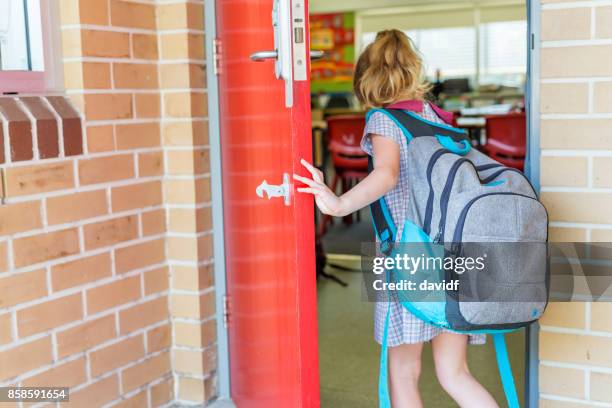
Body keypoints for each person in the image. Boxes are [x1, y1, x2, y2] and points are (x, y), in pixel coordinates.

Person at [293, 29, 498, 408]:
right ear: (413, 72)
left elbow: (385, 175)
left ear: (365, 80)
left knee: (404, 373)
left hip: (411, 257)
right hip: (458, 254)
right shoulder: (442, 121)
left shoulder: (384, 121)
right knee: (455, 374)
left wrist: (336, 204)